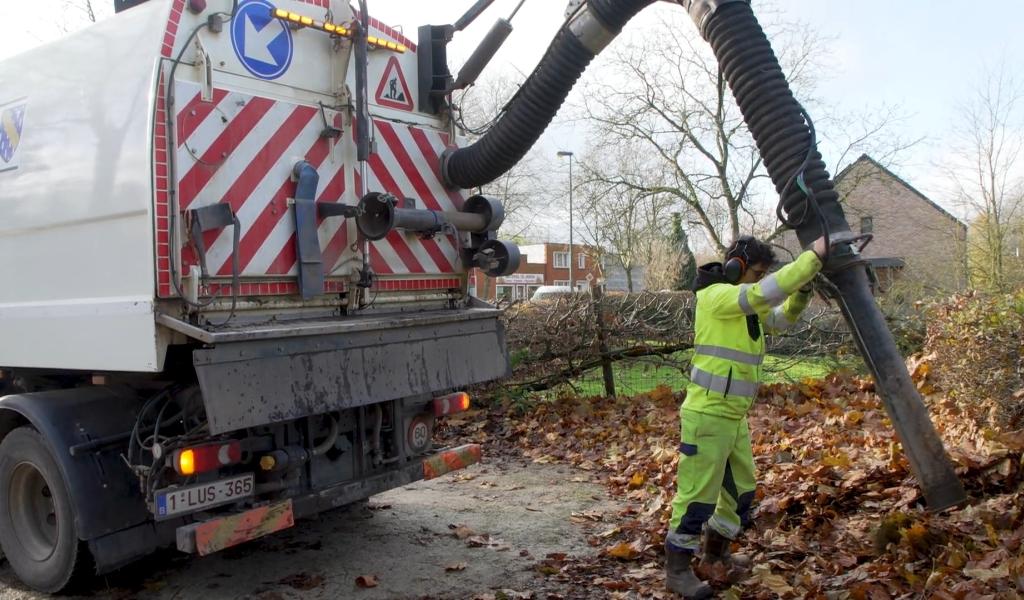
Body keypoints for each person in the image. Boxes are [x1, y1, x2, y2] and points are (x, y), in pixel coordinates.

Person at [665, 235, 827, 599]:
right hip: (707, 414)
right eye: (756, 273)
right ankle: (676, 569)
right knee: (697, 497)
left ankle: (716, 555)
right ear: (736, 266)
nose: (758, 280)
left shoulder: (745, 305)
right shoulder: (717, 297)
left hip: (732, 417)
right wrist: (811, 259)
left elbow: (781, 319)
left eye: (762, 275)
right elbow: (760, 295)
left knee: (741, 491)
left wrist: (802, 292)